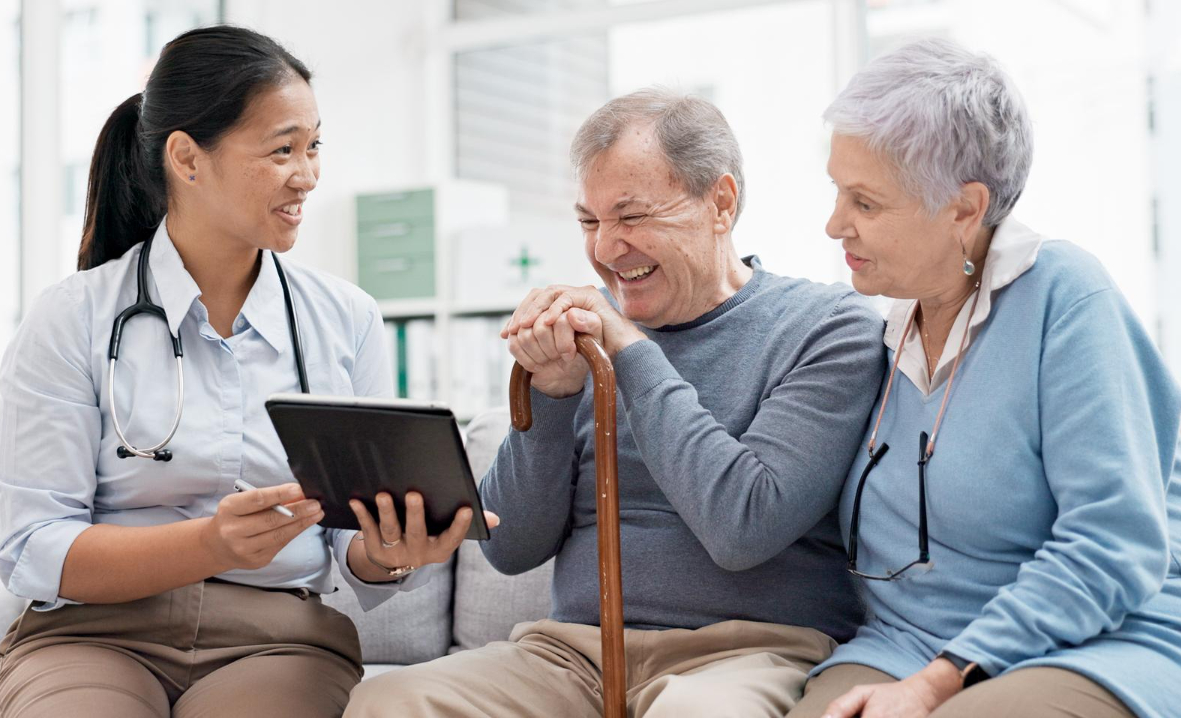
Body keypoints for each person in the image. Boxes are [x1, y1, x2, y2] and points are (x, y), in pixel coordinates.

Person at [0, 25, 492, 718]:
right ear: (187, 159)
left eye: (314, 147)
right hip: (93, 634)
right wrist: (208, 543)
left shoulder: (346, 317)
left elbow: (353, 543)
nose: (308, 174)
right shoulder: (72, 317)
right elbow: (32, 546)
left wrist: (389, 550)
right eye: (282, 149)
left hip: (277, 641)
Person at [346, 88, 886, 717]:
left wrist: (629, 349)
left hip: (748, 653)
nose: (604, 249)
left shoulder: (826, 326)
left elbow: (744, 527)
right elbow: (510, 547)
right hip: (570, 655)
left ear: (720, 202)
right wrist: (551, 394)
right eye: (588, 222)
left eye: (630, 218)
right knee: (391, 702)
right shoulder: (580, 343)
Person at [788, 38, 1181, 718]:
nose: (834, 223)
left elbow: (1114, 542)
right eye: (838, 192)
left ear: (964, 208)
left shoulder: (1066, 299)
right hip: (911, 642)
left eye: (865, 203)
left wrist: (937, 682)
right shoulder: (872, 330)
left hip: (1124, 636)